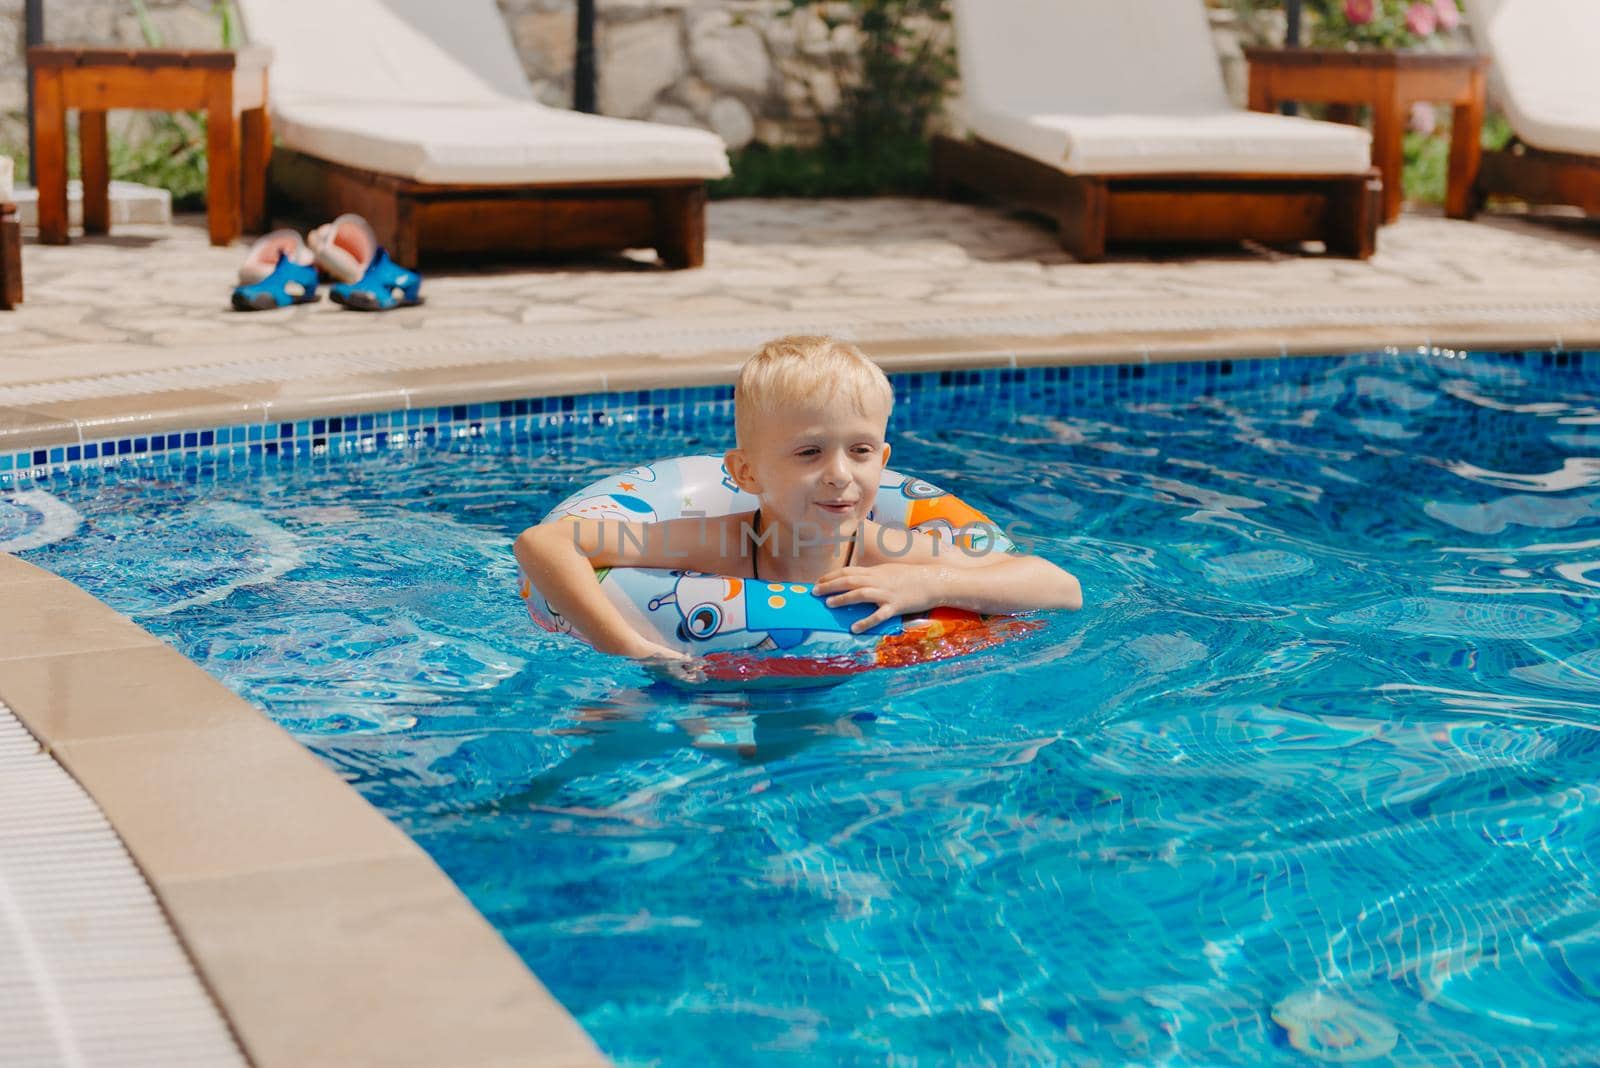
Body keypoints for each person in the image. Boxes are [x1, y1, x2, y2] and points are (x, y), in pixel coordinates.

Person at [514, 335, 1083, 660]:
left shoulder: (885, 551)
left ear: (883, 463)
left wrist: (928, 583)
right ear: (747, 474)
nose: (840, 475)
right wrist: (630, 649)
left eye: (860, 451)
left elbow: (1062, 587)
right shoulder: (724, 543)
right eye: (809, 453)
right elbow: (544, 543)